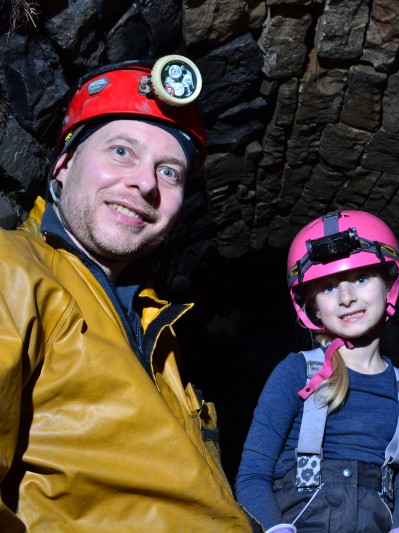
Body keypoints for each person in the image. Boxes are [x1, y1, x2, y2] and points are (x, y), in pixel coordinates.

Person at [0, 56, 257, 531]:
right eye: (122, 151)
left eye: (170, 173)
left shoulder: (151, 323)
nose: (144, 183)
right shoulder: (12, 270)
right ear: (64, 164)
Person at [235, 210, 399, 533]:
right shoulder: (296, 373)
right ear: (313, 307)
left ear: (388, 284)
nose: (347, 298)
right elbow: (253, 475)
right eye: (327, 288)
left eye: (362, 279)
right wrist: (274, 528)